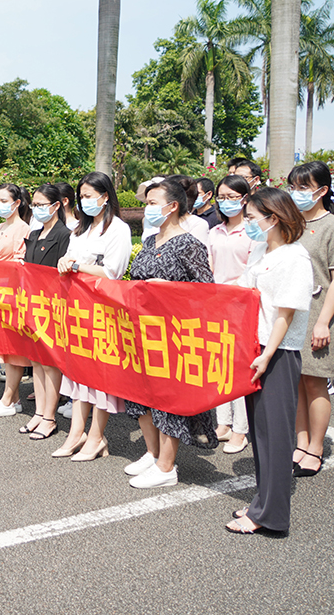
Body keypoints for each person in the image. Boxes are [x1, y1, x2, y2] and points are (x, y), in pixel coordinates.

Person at [226, 187, 313, 535]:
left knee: (275, 436)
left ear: (273, 218)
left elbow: (285, 314)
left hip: (275, 353)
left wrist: (266, 355)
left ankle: (271, 515)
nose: (246, 223)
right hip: (256, 348)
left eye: (251, 218)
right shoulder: (263, 250)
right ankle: (262, 501)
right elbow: (241, 290)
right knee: (261, 432)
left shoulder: (294, 257)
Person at [123, 179, 219, 487]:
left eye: (152, 203)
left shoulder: (189, 244)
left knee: (167, 399)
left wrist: (170, 290)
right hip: (142, 330)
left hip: (172, 333)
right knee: (141, 397)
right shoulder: (150, 241)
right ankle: (152, 455)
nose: (146, 209)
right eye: (146, 203)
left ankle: (167, 466)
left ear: (172, 206)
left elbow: (207, 291)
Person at [54, 172, 132, 459]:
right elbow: (71, 259)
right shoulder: (80, 230)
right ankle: (77, 432)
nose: (84, 201)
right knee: (78, 371)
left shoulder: (119, 229)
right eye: (81, 196)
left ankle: (97, 436)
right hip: (76, 307)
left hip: (102, 308)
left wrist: (78, 266)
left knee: (99, 374)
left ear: (105, 196)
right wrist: (67, 262)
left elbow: (113, 272)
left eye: (89, 196)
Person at [286, 161, 334, 478]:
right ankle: (299, 444)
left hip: (319, 312)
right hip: (292, 314)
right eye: (293, 187)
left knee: (315, 383)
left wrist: (323, 322)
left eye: (302, 187)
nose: (295, 194)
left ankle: (315, 448)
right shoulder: (291, 223)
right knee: (296, 382)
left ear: (322, 190)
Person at [18, 184, 70, 441]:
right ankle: (38, 412)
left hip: (52, 307)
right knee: (36, 362)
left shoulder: (64, 235)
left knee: (50, 363)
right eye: (34, 205)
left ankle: (50, 416)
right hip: (32, 304)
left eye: (42, 204)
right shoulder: (34, 233)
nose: (37, 209)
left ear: (57, 205)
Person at [207, 175, 254, 452]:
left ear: (245, 198)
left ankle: (241, 430)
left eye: (232, 197)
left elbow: (253, 269)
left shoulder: (253, 231)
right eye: (221, 197)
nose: (226, 203)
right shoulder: (214, 232)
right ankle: (223, 422)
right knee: (219, 363)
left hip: (242, 304)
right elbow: (209, 268)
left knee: (239, 367)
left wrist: (231, 289)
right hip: (216, 304)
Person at [0, 183, 33, 418]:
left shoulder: (24, 229)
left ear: (17, 203)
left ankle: (7, 400)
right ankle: (15, 398)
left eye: (4, 200)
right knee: (2, 346)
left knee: (13, 348)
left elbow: (22, 263)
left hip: (12, 293)